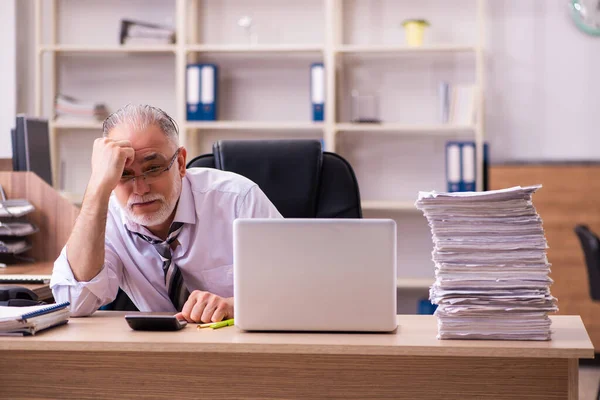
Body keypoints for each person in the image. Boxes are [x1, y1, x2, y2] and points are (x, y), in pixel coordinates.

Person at [50, 104, 282, 323]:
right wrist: (96, 188)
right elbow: (73, 302)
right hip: (158, 354)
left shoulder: (238, 200)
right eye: (123, 173)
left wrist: (235, 305)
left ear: (181, 163)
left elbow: (297, 289)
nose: (140, 189)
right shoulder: (106, 217)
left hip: (241, 349)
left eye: (153, 169)